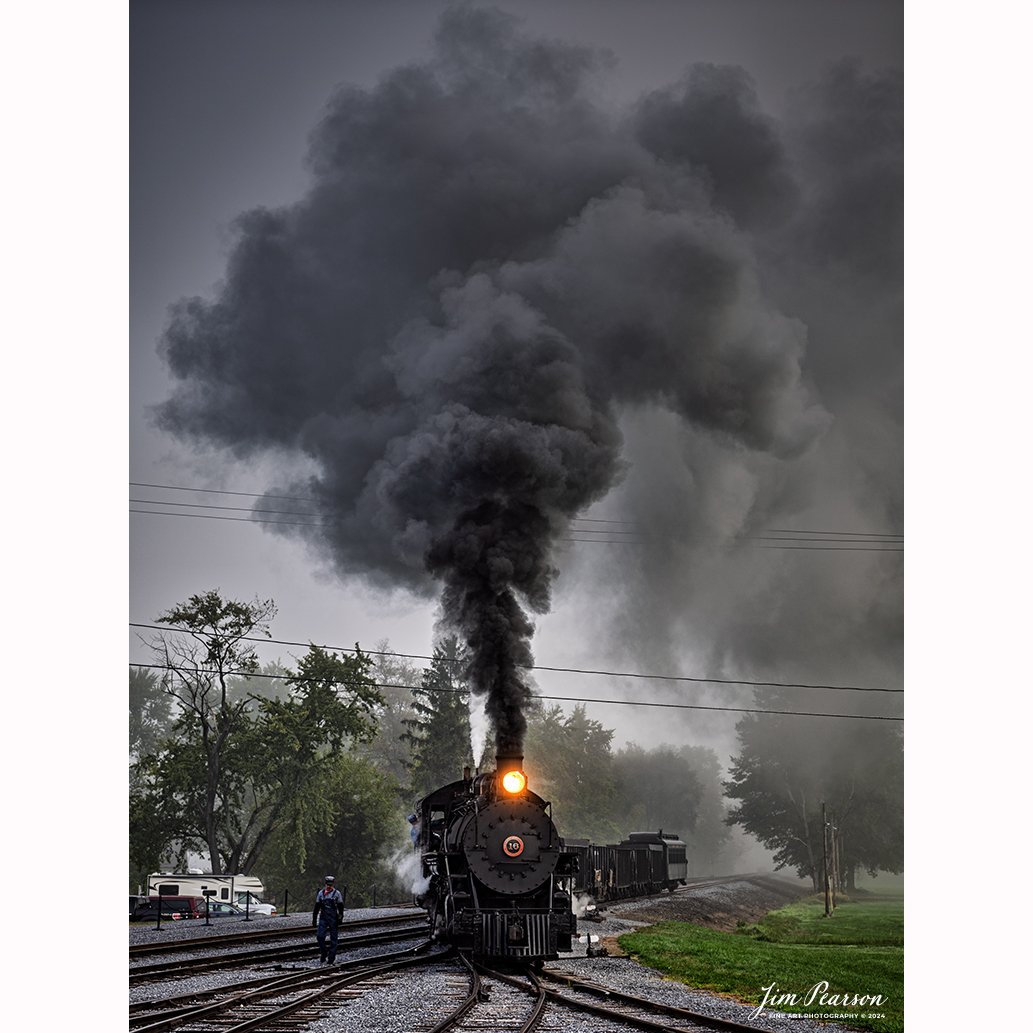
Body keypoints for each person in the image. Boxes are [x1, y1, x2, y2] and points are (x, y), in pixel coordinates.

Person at [312, 875, 344, 964]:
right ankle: (323, 952)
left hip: (333, 918)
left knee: (333, 938)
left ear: (333, 885)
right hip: (323, 917)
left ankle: (331, 957)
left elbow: (341, 907)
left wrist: (340, 917)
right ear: (325, 884)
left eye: (330, 885)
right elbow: (317, 907)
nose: (329, 886)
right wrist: (314, 918)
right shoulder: (321, 894)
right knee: (320, 936)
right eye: (328, 885)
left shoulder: (337, 894)